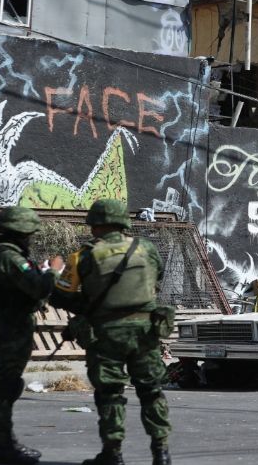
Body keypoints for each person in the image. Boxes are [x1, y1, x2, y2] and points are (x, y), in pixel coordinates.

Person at [50, 199, 174, 465]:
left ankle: (113, 453)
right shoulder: (146, 248)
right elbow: (157, 278)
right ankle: (161, 452)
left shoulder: (83, 256)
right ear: (123, 223)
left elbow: (61, 296)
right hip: (145, 332)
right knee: (151, 391)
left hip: (106, 333)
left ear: (96, 225)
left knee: (110, 394)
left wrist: (91, 304)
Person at [0, 206, 64, 464]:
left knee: (6, 384)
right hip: (10, 326)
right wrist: (53, 270)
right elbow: (38, 288)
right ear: (21, 233)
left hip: (5, 324)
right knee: (6, 385)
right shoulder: (9, 258)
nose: (31, 239)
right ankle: (3, 446)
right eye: (29, 234)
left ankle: (4, 442)